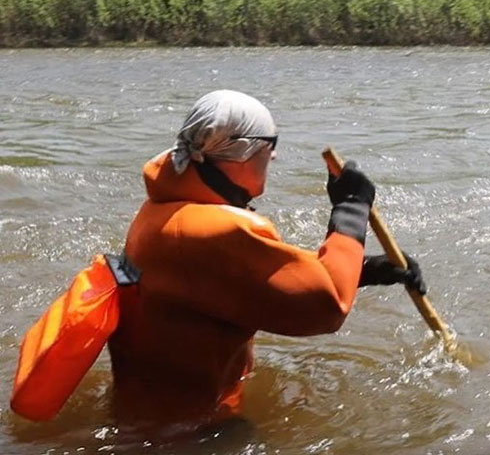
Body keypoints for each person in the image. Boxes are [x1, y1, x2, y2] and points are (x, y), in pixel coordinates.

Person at [108, 90, 426, 427]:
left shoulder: (166, 212)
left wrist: (362, 271)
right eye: (270, 144)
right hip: (185, 432)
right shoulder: (209, 232)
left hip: (152, 414)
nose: (273, 157)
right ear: (244, 151)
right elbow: (327, 308)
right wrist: (351, 207)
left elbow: (247, 282)